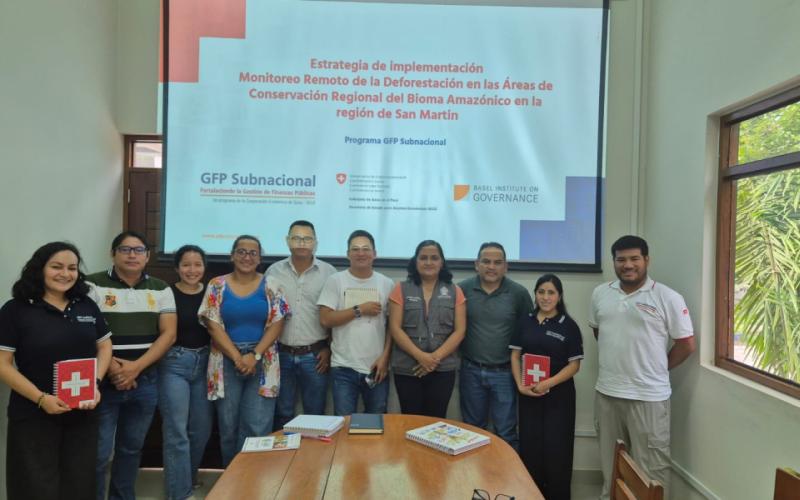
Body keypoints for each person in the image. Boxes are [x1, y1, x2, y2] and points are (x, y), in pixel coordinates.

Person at [0, 242, 112, 500]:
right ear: (39, 269)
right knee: (35, 486)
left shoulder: (85, 304)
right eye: (56, 267)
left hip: (82, 413)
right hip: (34, 413)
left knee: (79, 485)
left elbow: (105, 346)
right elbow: (2, 363)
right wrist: (41, 399)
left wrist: (94, 384)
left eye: (72, 268)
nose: (65, 274)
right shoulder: (15, 310)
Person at [589, 235, 696, 499]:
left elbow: (686, 345)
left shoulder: (668, 297)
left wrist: (656, 367)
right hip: (607, 394)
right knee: (611, 470)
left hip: (649, 398)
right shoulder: (600, 294)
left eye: (634, 258)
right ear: (614, 262)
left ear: (646, 260)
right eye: (621, 259)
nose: (628, 265)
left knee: (651, 475)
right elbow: (599, 332)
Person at [87, 231, 177, 500]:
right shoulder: (91, 285)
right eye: (125, 249)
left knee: (131, 449)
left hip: (144, 381)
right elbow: (83, 331)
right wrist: (115, 369)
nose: (132, 255)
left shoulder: (161, 288)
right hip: (102, 382)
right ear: (112, 253)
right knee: (98, 453)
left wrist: (135, 368)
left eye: (138, 250)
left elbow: (169, 334)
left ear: (147, 256)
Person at [198, 235, 288, 466]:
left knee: (257, 428)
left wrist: (254, 355)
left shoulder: (272, 284)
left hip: (262, 360)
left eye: (252, 253)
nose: (247, 257)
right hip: (226, 360)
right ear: (232, 255)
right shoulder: (217, 284)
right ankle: (232, 480)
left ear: (259, 258)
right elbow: (212, 324)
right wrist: (238, 358)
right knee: (228, 428)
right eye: (241, 252)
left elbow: (278, 323)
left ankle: (252, 481)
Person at [510, 274, 583, 500]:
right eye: (541, 292)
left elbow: (574, 365)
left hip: (559, 398)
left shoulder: (569, 326)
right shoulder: (525, 321)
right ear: (535, 294)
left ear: (559, 296)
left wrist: (547, 383)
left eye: (551, 292)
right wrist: (520, 385)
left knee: (557, 449)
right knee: (530, 447)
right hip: (529, 395)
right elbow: (515, 356)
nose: (545, 297)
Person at [458, 242, 533, 449]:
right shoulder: (462, 290)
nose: (491, 267)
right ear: (476, 264)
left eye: (498, 262)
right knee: (471, 432)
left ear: (506, 266)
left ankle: (507, 472)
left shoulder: (518, 293)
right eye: (486, 261)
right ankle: (474, 471)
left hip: (505, 374)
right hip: (471, 371)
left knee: (506, 432)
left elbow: (528, 333)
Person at [266, 221, 336, 428]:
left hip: (316, 356)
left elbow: (334, 315)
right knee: (282, 413)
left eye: (307, 238)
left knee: (316, 414)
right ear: (288, 241)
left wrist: (329, 348)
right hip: (281, 354)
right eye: (296, 238)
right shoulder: (273, 271)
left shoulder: (329, 273)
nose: (302, 243)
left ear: (315, 242)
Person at [158, 245, 213, 500]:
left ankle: (186, 480)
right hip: (174, 364)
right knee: (176, 431)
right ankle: (179, 493)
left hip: (206, 364)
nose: (192, 270)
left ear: (204, 267)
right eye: (186, 265)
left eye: (197, 264)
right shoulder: (166, 294)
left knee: (201, 429)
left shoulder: (213, 292)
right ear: (177, 268)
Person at [318, 230, 393, 416]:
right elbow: (325, 319)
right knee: (343, 423)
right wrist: (359, 310)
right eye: (355, 249)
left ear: (374, 254)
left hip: (376, 366)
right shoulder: (335, 281)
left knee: (376, 422)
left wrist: (385, 358)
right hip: (343, 366)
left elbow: (392, 327)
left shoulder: (387, 283)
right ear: (348, 254)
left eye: (366, 249)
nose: (361, 253)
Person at [388, 240, 466, 417]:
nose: (428, 262)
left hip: (442, 369)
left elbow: (460, 331)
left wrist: (433, 359)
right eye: (423, 258)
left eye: (434, 258)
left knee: (436, 422)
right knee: (411, 421)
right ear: (415, 261)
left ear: (442, 262)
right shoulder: (400, 289)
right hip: (408, 369)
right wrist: (421, 357)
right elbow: (395, 328)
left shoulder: (455, 291)